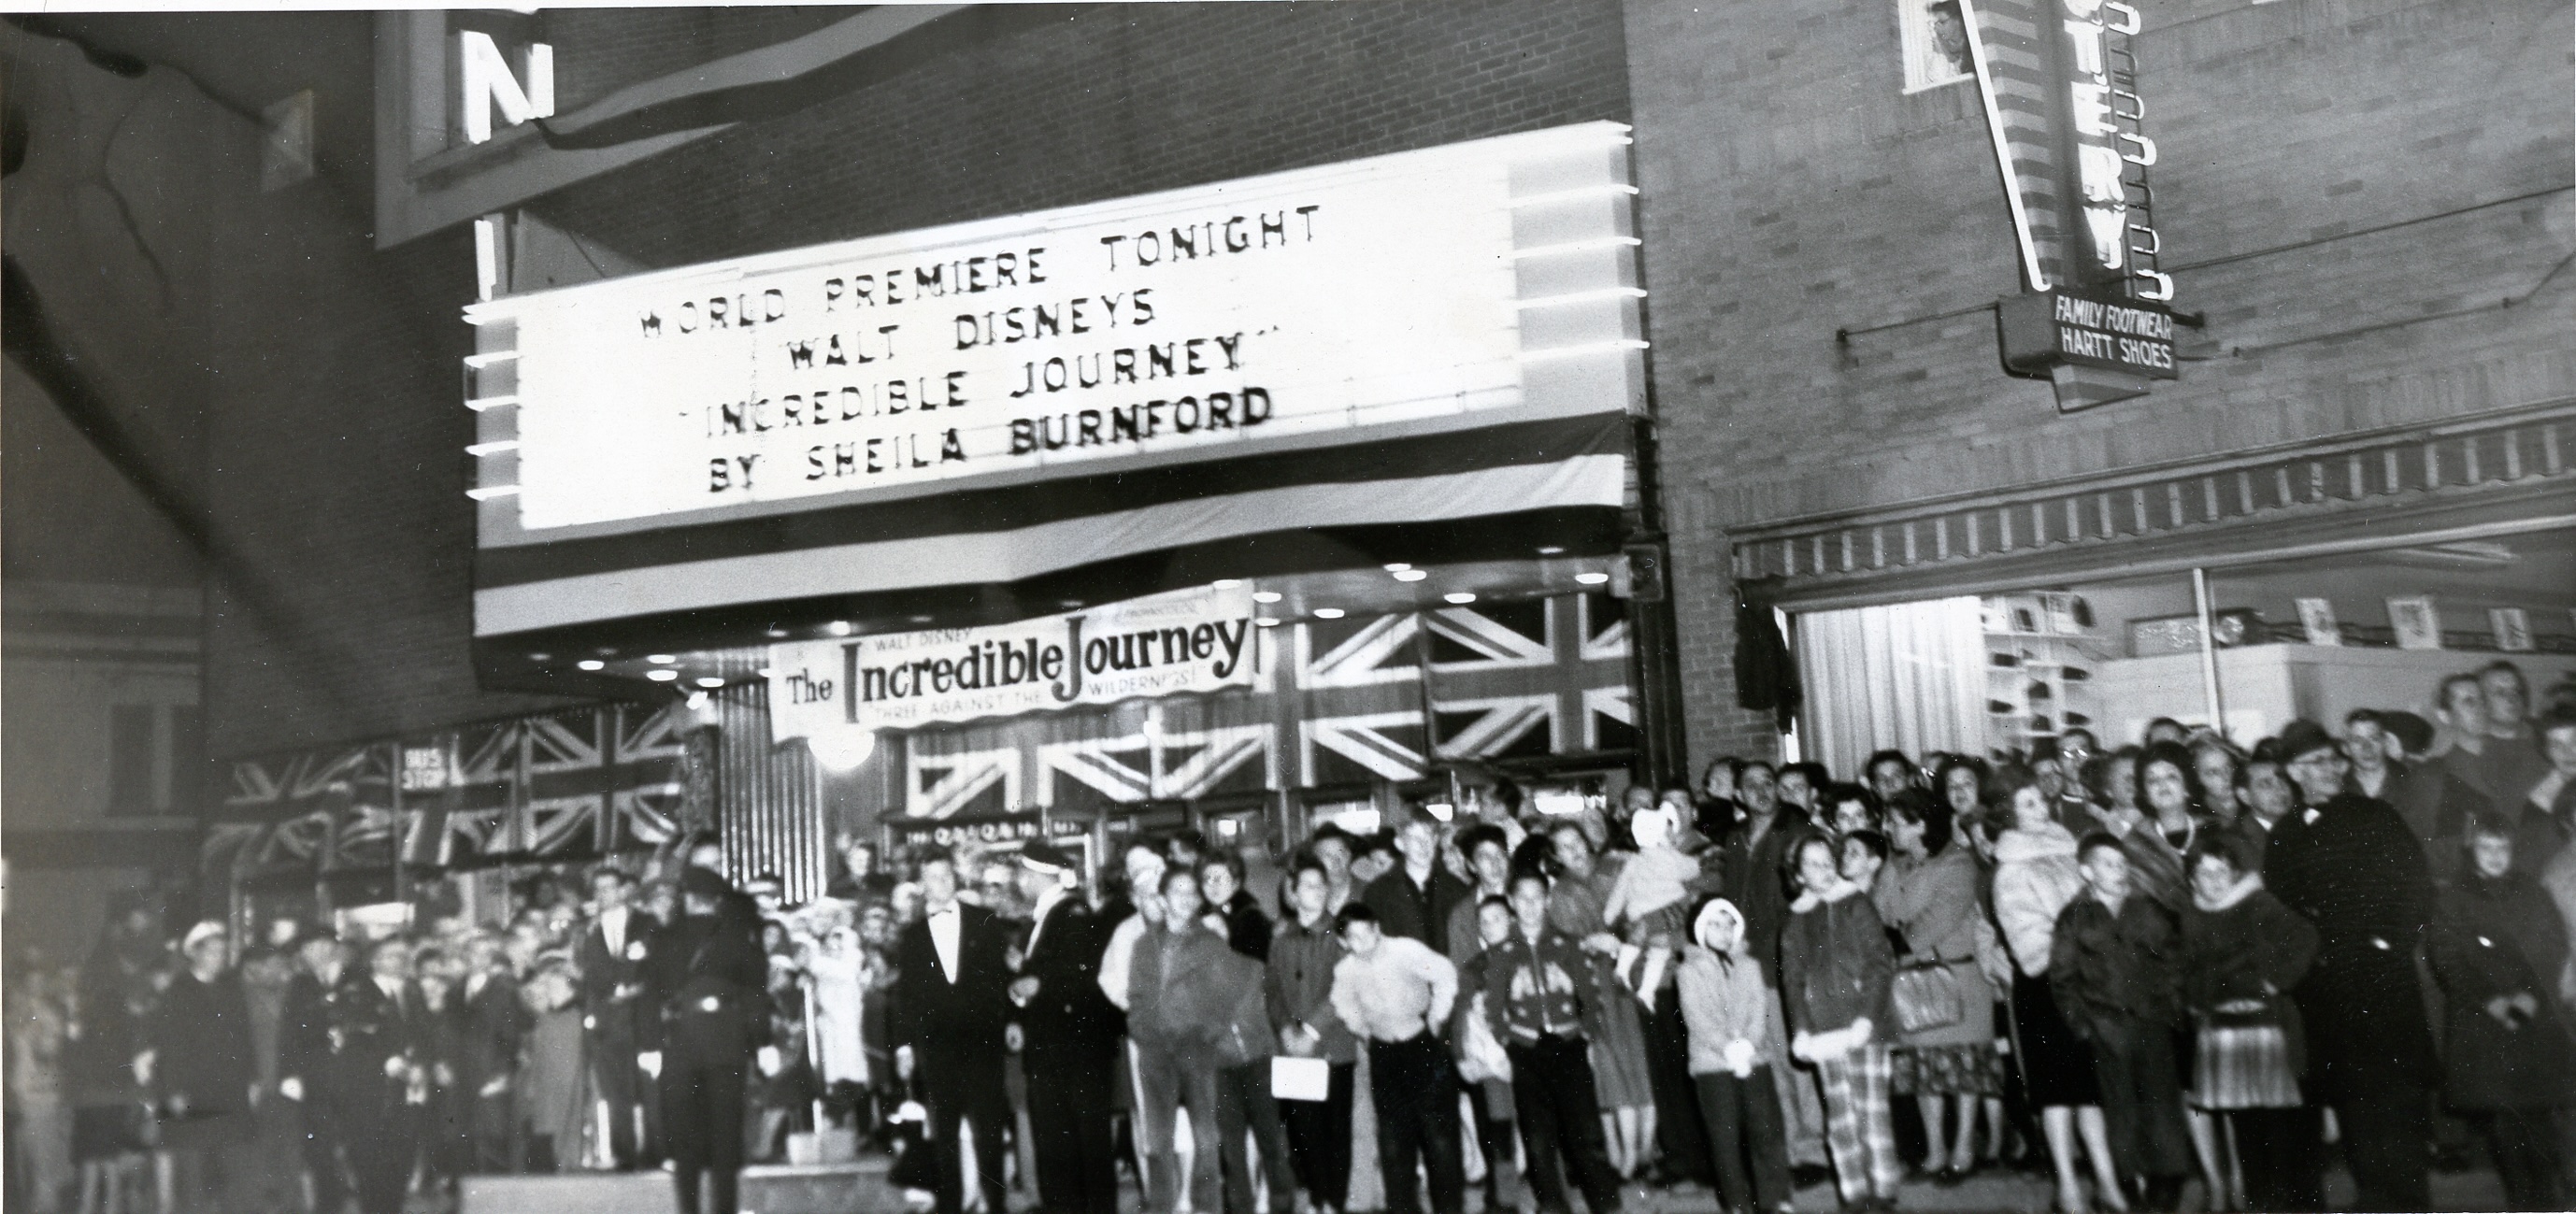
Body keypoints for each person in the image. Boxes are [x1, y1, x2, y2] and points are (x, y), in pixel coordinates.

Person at [2262, 719, 2437, 1213]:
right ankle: (2373, 1198)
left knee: (2397, 1108)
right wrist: (2308, 969)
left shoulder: (2375, 816)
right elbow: (2282, 912)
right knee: (2354, 1106)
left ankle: (2408, 1201)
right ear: (2294, 773)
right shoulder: (2285, 835)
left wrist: (2388, 944)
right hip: (2328, 996)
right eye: (2316, 763)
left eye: (2333, 759)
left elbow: (2415, 887)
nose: (2331, 769)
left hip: (2384, 983)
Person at [1991, 768, 2126, 1214]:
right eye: (2026, 803)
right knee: (2057, 1091)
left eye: (2040, 800)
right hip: (2046, 988)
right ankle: (2068, 1187)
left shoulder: (2070, 850)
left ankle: (2107, 1183)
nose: (2040, 809)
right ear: (2007, 814)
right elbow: (2028, 940)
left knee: (2091, 1088)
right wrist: (2079, 948)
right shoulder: (2009, 870)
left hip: (2087, 986)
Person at [2426, 814, 2571, 1212]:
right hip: (2483, 1024)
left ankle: (2547, 1200)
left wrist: (2527, 997)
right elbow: (2448, 958)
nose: (2495, 856)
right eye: (2486, 848)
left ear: (2513, 850)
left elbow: (2551, 945)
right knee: (2504, 1122)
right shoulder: (2454, 897)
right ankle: (2521, 1199)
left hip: (2533, 1018)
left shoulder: (2532, 892)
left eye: (2502, 847)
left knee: (2540, 1116)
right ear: (2473, 851)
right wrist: (2493, 1001)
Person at [2177, 834, 2321, 1214]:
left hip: (2263, 1027)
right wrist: (2196, 1001)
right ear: (2191, 880)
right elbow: (2186, 966)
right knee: (2244, 1128)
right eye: (2204, 874)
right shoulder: (2191, 915)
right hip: (2221, 1032)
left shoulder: (2257, 903)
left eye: (2221, 872)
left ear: (2235, 874)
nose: (2214, 881)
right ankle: (2257, 1202)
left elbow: (2305, 936)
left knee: (2276, 1125)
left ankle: (2285, 1202)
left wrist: (2275, 979)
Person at [2051, 837, 2191, 1212]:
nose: (2118, 870)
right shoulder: (2076, 917)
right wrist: (2082, 1024)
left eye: (2121, 862)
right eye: (2107, 863)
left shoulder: (2148, 909)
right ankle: (2128, 1180)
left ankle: (2167, 1180)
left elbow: (2174, 960)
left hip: (2152, 1022)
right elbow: (2063, 978)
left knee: (2160, 1102)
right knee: (2120, 1106)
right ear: (2087, 871)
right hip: (2106, 1027)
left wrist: (2170, 1006)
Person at [1873, 791, 2005, 1185]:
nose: (1887, 828)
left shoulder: (1958, 863)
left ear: (1919, 824)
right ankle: (1934, 1151)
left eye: (1895, 821)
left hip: (1958, 977)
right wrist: (1896, 928)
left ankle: (1964, 1148)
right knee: (1923, 1070)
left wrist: (1900, 935)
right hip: (1912, 980)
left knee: (1964, 1067)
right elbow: (1880, 913)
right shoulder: (1893, 866)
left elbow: (1935, 921)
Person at [1480, 872, 1625, 1214]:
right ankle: (1552, 1204)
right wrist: (1506, 1039)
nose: (1530, 907)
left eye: (1536, 898)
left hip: (1568, 1043)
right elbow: (1493, 1005)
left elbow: (1591, 998)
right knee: (1538, 1134)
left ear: (1547, 901)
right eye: (1522, 899)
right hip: (1526, 1050)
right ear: (1512, 904)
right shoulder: (1503, 953)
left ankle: (1605, 1202)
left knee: (1586, 1130)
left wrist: (1586, 1033)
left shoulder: (1568, 944)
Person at [642, 865, 780, 1214]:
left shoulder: (663, 938)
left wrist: (650, 1046)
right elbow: (755, 995)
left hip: (679, 1043)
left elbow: (648, 997)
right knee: (724, 1140)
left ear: (687, 898)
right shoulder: (736, 937)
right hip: (726, 1042)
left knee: (684, 1143)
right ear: (716, 901)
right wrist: (763, 1042)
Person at [1778, 834, 1901, 1211]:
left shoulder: (1856, 904)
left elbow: (1881, 963)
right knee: (1841, 1116)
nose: (1824, 869)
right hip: (1824, 1030)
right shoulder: (1796, 917)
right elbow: (1792, 980)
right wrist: (1800, 1029)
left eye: (1828, 860)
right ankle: (1853, 1193)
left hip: (1865, 1024)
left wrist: (1868, 1016)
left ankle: (1882, 1192)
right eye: (1812, 864)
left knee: (1872, 1112)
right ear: (1798, 875)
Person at [892, 851, 1014, 1214]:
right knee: (944, 1134)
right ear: (922, 885)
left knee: (989, 1131)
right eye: (932, 877)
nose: (940, 883)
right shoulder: (912, 935)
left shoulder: (985, 922)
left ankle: (996, 1205)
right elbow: (906, 995)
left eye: (946, 876)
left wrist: (1004, 1024)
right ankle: (950, 1206)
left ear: (956, 880)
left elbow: (999, 981)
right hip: (937, 1047)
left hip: (982, 1044)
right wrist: (903, 1047)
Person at [1009, 840, 1122, 1214]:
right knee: (1057, 1140)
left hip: (1077, 1047)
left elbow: (1081, 972)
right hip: (1052, 1046)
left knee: (1085, 1140)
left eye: (1023, 873)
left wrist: (1038, 984)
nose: (1019, 880)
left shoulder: (1071, 912)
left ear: (1041, 875)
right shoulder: (1043, 916)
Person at [1542, 821, 1660, 1179]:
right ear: (1555, 855)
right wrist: (1590, 944)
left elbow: (1645, 911)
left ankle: (1645, 1150)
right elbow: (1562, 943)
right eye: (1563, 847)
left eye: (1576, 841)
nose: (1573, 850)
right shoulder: (1559, 893)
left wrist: (1620, 940)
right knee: (1611, 1067)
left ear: (1587, 841)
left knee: (1644, 1063)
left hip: (1637, 971)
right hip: (1595, 985)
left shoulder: (1618, 868)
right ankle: (1626, 1155)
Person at [1331, 901, 1466, 1214]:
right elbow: (1343, 1003)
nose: (1363, 942)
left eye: (1368, 933)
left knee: (1439, 1139)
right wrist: (1363, 1031)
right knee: (1394, 1142)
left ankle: (1449, 1208)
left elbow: (1445, 973)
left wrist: (1436, 1017)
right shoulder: (1346, 970)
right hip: (1384, 1054)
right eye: (1353, 937)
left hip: (1422, 1046)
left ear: (1378, 928)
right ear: (1343, 941)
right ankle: (1403, 1208)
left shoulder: (1405, 950)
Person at [1681, 897, 1793, 1214]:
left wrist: (1749, 1044)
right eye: (1715, 924)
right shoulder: (1689, 970)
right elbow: (1696, 1016)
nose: (1723, 931)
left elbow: (1759, 1008)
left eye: (1729, 925)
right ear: (1702, 928)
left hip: (1754, 1057)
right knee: (1725, 1138)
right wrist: (1727, 1048)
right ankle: (1737, 1202)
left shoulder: (1750, 965)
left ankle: (1776, 1199)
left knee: (1766, 1129)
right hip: (1712, 1063)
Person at [137, 921, 255, 1213]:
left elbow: (244, 1037)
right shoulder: (179, 993)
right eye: (213, 951)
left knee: (233, 1167)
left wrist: (252, 1079)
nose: (220, 957)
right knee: (194, 1172)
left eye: (224, 951)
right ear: (196, 954)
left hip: (231, 1091)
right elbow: (173, 1046)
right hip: (194, 1093)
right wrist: (176, 1090)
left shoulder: (231, 989)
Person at [1271, 851, 1360, 1214]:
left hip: (1333, 1047)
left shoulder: (1340, 933)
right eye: (1308, 885)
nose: (1317, 891)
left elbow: (1343, 987)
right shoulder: (1281, 936)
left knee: (1336, 1131)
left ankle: (1334, 1204)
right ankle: (1319, 1200)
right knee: (1306, 1135)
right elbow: (1272, 990)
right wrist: (1285, 1030)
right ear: (1292, 893)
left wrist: (1310, 1030)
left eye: (1321, 884)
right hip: (1294, 1051)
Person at [335, 935, 427, 1214]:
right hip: (371, 1090)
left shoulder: (412, 992)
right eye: (391, 955)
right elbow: (351, 1039)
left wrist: (423, 1063)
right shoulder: (357, 992)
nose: (399, 961)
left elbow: (424, 1034)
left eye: (403, 955)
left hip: (407, 1089)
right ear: (375, 960)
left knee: (402, 1157)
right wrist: (384, 1061)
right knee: (371, 1160)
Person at [580, 866, 658, 1168]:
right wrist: (616, 988)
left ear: (623, 889)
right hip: (607, 1022)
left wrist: (632, 986)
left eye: (609, 887)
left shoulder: (645, 923)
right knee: (615, 1091)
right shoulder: (589, 930)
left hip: (640, 1017)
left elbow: (655, 967)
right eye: (597, 889)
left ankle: (654, 1153)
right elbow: (590, 973)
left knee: (648, 1088)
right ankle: (624, 1154)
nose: (603, 894)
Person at [1365, 810, 1475, 955]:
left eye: (1428, 837)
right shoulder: (1378, 893)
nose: (1423, 845)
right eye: (1414, 838)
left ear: (1436, 840)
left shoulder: (1457, 889)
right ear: (1400, 844)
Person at [516, 954, 589, 1172]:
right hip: (545, 1093)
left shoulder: (576, 1018)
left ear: (569, 986)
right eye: (545, 984)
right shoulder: (545, 1020)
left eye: (552, 983)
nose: (546, 989)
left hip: (569, 1093)